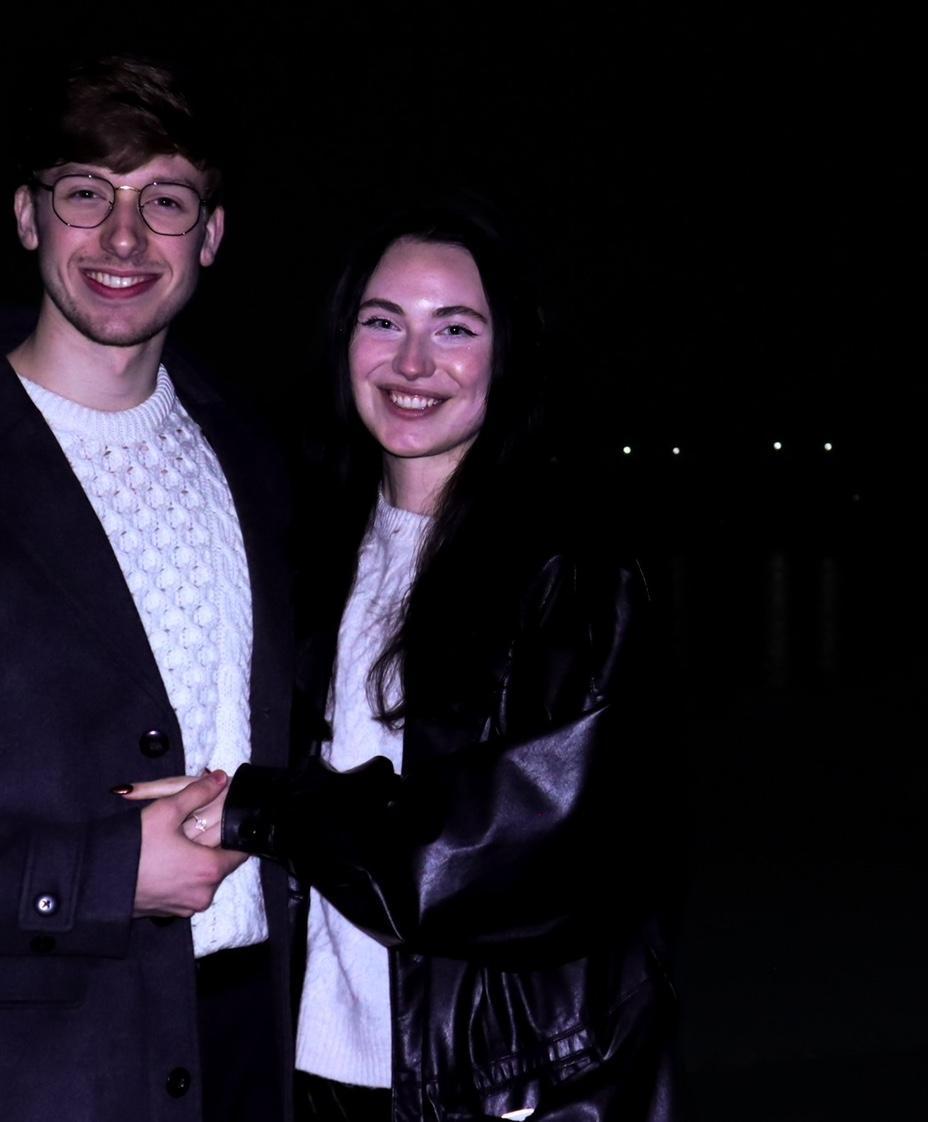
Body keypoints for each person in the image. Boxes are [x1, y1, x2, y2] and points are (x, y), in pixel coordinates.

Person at [128, 204, 680, 1121]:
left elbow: (533, 844)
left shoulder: (570, 577)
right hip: (314, 1070)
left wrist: (261, 808)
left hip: (516, 1081)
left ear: (506, 355)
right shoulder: (298, 550)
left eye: (454, 329)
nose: (413, 364)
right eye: (383, 321)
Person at [0, 55, 292, 1121]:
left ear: (209, 235)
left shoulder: (253, 455)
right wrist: (98, 878)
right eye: (87, 191)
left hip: (256, 1038)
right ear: (29, 217)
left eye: (163, 201)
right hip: (48, 1064)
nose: (124, 240)